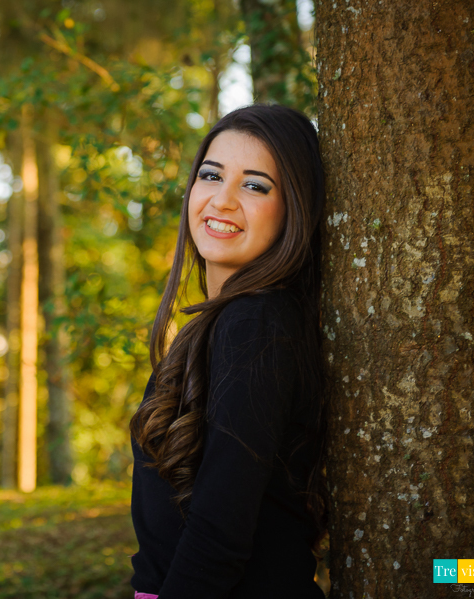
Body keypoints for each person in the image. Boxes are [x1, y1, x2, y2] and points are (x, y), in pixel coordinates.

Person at [129, 104, 328, 598]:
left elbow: (220, 533)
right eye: (211, 175)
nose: (222, 200)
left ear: (294, 209)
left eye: (255, 185)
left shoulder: (257, 323)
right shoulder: (222, 325)